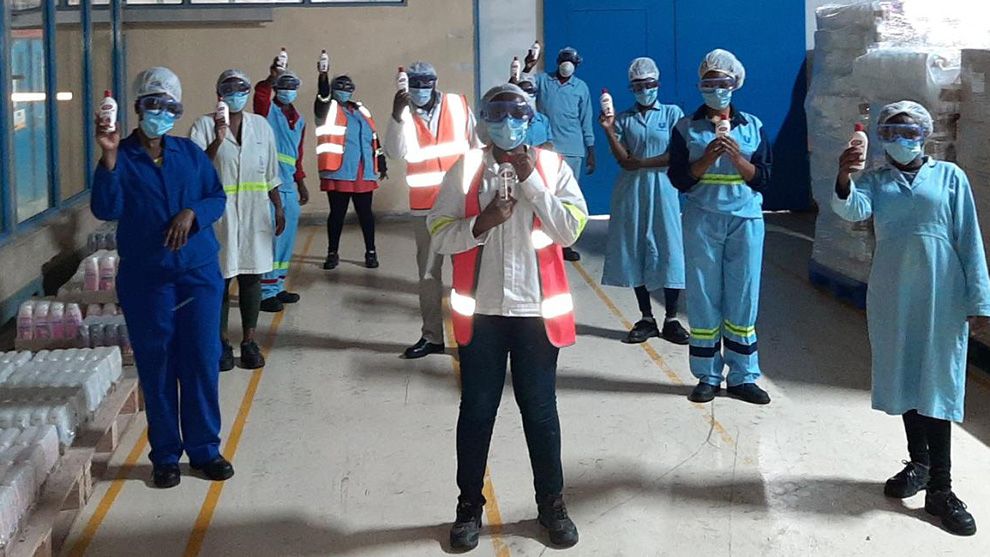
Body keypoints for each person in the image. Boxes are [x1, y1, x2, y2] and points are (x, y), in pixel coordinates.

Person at [428, 83, 588, 551]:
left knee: (540, 412)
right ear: (483, 122)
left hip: (536, 316)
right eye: (497, 116)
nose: (508, 124)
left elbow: (571, 228)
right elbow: (438, 232)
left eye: (517, 115)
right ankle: (468, 508)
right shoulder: (467, 169)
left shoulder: (553, 166)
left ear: (531, 118)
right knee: (477, 411)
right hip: (483, 316)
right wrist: (481, 223)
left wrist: (532, 181)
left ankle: (551, 506)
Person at [833, 100, 990, 537]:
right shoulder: (876, 182)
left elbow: (969, 240)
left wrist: (980, 302)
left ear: (924, 134)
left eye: (909, 132)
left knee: (937, 381)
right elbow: (851, 209)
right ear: (882, 138)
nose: (901, 140)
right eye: (892, 133)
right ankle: (918, 464)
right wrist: (844, 174)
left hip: (943, 296)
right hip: (894, 295)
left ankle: (942, 487)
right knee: (906, 377)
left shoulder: (950, 178)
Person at [92, 67, 234, 488]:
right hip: (149, 280)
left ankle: (205, 449)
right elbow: (106, 208)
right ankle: (166, 455)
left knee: (202, 361)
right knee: (158, 366)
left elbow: (216, 196)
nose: (161, 113)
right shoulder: (121, 156)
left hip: (199, 276)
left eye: (170, 107)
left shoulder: (189, 153)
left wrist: (193, 213)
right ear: (137, 108)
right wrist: (109, 157)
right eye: (153, 104)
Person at [668, 49, 772, 405]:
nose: (716, 89)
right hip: (702, 220)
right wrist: (708, 157)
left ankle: (743, 376)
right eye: (709, 83)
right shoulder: (686, 127)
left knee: (743, 297)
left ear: (735, 85)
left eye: (723, 83)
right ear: (700, 86)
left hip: (745, 220)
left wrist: (736, 157)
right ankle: (707, 375)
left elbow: (763, 178)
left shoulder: (753, 126)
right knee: (703, 296)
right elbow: (680, 178)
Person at [384, 61, 482, 359]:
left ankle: (471, 337)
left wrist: (479, 193)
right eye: (415, 85)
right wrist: (397, 115)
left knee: (467, 273)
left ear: (435, 83)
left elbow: (477, 147)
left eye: (426, 84)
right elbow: (394, 152)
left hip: (461, 203)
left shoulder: (458, 105)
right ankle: (432, 337)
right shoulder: (404, 114)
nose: (421, 90)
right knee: (429, 275)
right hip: (424, 208)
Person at [190, 69, 285, 372]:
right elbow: (194, 170)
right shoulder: (203, 126)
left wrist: (279, 207)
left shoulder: (261, 126)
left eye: (241, 89)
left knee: (252, 276)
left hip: (256, 212)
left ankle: (249, 340)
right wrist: (217, 140)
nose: (235, 95)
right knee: (220, 278)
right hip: (220, 216)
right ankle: (220, 343)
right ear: (218, 94)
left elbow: (271, 172)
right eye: (228, 90)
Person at [599, 57, 689, 345]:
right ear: (631, 87)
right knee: (635, 247)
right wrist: (608, 130)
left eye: (649, 84)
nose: (644, 89)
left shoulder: (673, 114)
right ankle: (646, 316)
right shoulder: (624, 119)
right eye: (638, 85)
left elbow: (678, 153)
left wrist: (644, 162)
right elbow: (623, 160)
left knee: (669, 248)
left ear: (658, 84)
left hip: (664, 188)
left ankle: (672, 317)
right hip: (632, 191)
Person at [523, 46, 595, 262]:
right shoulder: (543, 80)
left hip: (573, 150)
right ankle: (536, 240)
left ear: (577, 64)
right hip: (544, 149)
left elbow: (586, 120)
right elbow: (521, 86)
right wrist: (527, 66)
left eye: (571, 60)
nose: (567, 64)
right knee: (541, 195)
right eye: (564, 59)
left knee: (567, 199)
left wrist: (591, 149)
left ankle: (565, 244)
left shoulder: (581, 88)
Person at [315, 72, 386, 270]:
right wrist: (322, 78)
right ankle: (332, 253)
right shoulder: (328, 108)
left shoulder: (361, 110)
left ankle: (371, 252)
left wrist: (380, 159)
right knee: (337, 214)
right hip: (339, 170)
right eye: (340, 87)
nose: (344, 91)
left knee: (366, 214)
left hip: (364, 171)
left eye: (348, 88)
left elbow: (373, 135)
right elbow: (321, 98)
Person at [255, 66, 310, 312]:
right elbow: (260, 96)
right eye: (283, 87)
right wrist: (271, 78)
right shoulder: (268, 112)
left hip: (288, 184)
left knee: (286, 240)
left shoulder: (299, 121)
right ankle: (264, 291)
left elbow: (298, 156)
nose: (288, 91)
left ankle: (277, 285)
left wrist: (301, 182)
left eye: (292, 88)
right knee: (270, 239)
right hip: (269, 184)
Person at [517, 77, 554, 149]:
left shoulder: (543, 120)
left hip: (540, 157)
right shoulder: (512, 121)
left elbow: (550, 142)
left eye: (530, 91)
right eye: (523, 92)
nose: (526, 95)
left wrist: (546, 146)